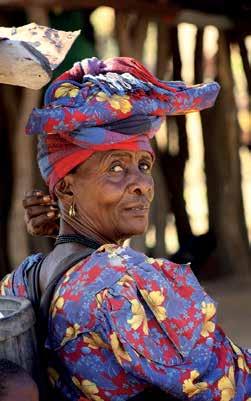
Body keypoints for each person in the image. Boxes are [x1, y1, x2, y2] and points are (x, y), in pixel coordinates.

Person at [1, 56, 251, 401]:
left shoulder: (19, 283)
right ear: (65, 188)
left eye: (144, 164)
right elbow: (232, 386)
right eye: (115, 168)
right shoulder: (124, 284)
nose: (142, 185)